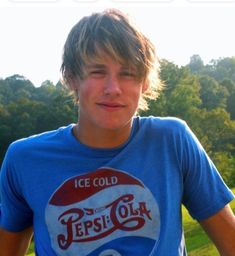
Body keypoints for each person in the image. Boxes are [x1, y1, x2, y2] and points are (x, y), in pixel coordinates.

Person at [0, 8, 234, 256]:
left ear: (144, 83)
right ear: (71, 78)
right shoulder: (24, 160)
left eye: (128, 74)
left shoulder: (172, 141)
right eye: (98, 72)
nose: (113, 88)